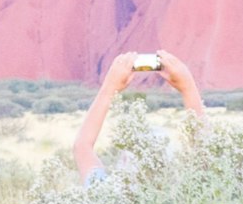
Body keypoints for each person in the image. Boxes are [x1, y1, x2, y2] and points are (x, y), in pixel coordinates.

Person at [75, 48, 205, 179]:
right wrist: (188, 87)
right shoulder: (191, 195)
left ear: (124, 161)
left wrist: (109, 88)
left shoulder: (104, 192)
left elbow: (82, 146)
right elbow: (206, 152)